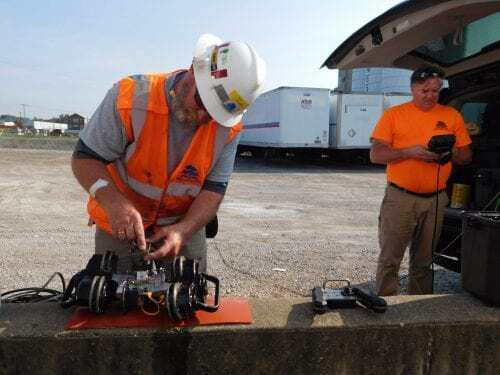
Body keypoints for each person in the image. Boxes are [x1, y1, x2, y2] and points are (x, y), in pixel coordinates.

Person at [71, 34, 266, 272]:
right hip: (121, 221)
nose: (204, 117)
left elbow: (213, 190)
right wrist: (114, 203)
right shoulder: (130, 97)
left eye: (216, 114)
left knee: (188, 296)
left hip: (182, 223)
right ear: (194, 69)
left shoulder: (228, 130)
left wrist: (184, 230)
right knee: (112, 295)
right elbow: (84, 158)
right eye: (201, 102)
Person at [370, 66, 472, 296]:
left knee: (424, 261)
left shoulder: (451, 116)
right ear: (413, 89)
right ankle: (385, 305)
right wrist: (411, 152)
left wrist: (451, 152)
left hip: (436, 199)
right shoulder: (394, 115)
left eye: (435, 91)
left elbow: (467, 156)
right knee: (390, 258)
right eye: (424, 90)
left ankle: (419, 310)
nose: (430, 96)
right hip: (400, 198)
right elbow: (376, 155)